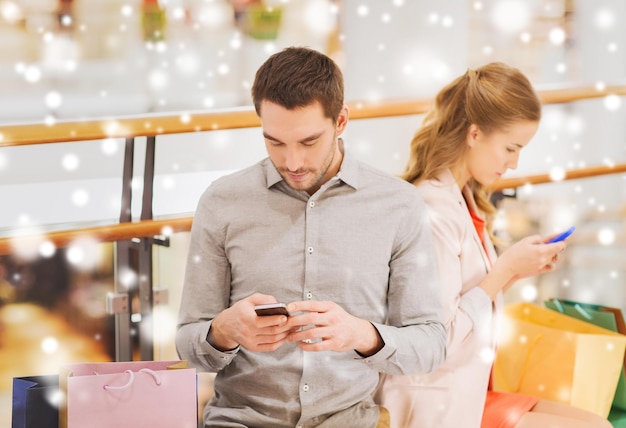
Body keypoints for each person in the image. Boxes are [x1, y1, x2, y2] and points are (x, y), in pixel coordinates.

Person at [176, 46, 447, 428]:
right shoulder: (222, 202)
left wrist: (360, 334)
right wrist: (223, 331)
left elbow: (431, 345)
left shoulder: (399, 205)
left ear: (341, 121)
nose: (292, 162)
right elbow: (188, 343)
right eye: (274, 142)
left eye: (308, 142)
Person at [374, 62, 612, 428]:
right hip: (436, 401)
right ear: (474, 134)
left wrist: (515, 271)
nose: (514, 164)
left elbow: (469, 297)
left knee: (597, 421)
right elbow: (439, 339)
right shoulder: (433, 211)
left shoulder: (464, 196)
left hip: (468, 388)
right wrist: (505, 268)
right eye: (510, 148)